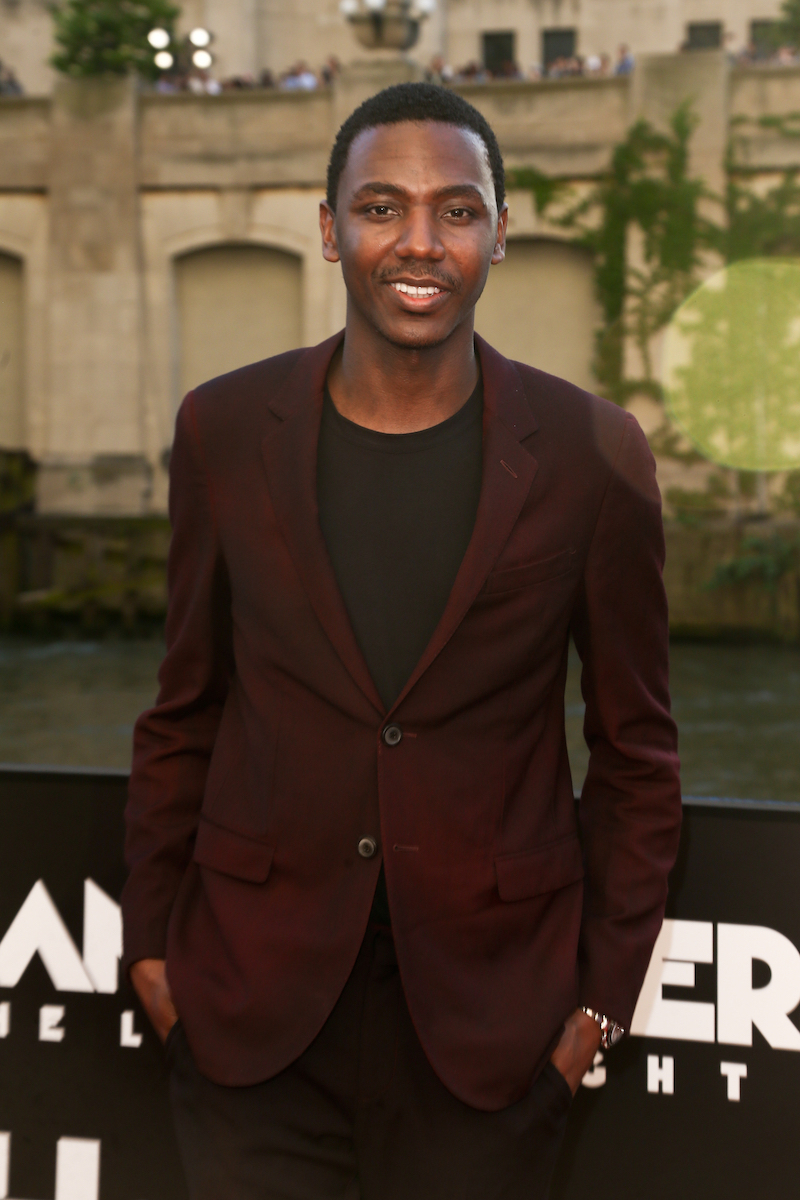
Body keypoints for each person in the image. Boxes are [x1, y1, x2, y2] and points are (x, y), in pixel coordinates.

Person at [123, 82, 681, 1199]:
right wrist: (153, 957)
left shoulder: (591, 454)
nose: (418, 242)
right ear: (329, 230)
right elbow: (185, 703)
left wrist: (591, 1012)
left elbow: (635, 755)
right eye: (380, 207)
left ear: (498, 234)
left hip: (489, 1036)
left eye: (456, 210)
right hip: (250, 1026)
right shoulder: (222, 430)